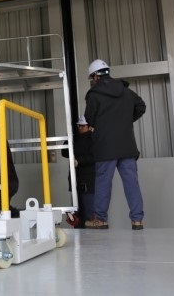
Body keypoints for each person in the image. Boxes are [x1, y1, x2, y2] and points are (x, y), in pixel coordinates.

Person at [83, 59, 146, 230]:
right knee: (131, 183)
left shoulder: (94, 94)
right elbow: (141, 106)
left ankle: (100, 219)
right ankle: (137, 220)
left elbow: (89, 118)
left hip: (105, 147)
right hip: (127, 146)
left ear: (96, 76)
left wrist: (102, 125)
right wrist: (125, 121)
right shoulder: (126, 92)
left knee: (103, 183)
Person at [62, 115, 95, 228]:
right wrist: (68, 137)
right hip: (75, 181)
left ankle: (93, 236)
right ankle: (79, 235)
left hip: (88, 182)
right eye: (79, 126)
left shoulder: (94, 139)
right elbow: (64, 152)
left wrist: (79, 161)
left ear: (89, 127)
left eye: (82, 126)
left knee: (90, 213)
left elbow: (95, 157)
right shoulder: (75, 139)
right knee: (77, 213)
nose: (80, 128)